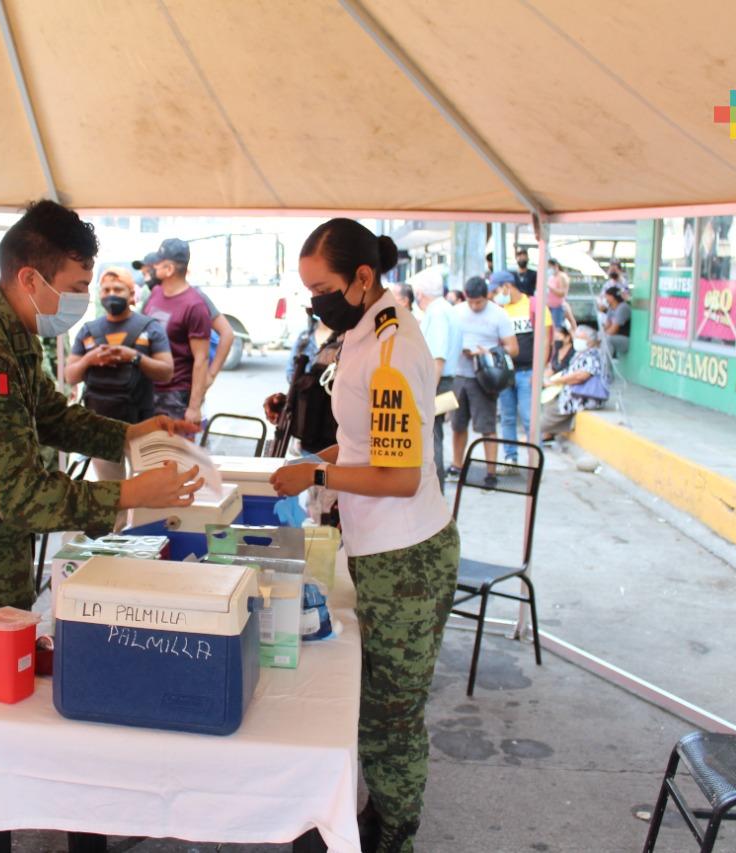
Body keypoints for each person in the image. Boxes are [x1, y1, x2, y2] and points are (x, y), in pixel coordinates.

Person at [0, 199, 204, 774]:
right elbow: (18, 494)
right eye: (76, 285)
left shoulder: (12, 332)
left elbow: (54, 416)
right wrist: (133, 494)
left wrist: (135, 433)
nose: (83, 300)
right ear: (30, 277)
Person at [267, 218, 458, 853]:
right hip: (378, 548)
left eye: (321, 287)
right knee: (374, 705)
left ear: (362, 278)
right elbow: (359, 443)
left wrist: (317, 471)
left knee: (391, 719)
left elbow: (400, 475)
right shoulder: (360, 331)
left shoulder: (392, 346)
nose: (313, 301)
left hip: (407, 556)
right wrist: (312, 460)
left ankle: (395, 835)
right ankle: (376, 818)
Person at [66, 266, 173, 480]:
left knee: (147, 493)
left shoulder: (150, 328)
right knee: (111, 493)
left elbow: (166, 372)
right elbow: (70, 376)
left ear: (131, 294)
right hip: (101, 427)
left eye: (118, 289)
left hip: (141, 424)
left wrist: (133, 356)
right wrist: (90, 359)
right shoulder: (88, 331)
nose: (111, 295)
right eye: (106, 290)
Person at [135, 245, 238, 387]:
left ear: (168, 269)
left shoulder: (194, 299)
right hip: (153, 386)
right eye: (144, 274)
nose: (146, 277)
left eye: (150, 271)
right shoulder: (154, 294)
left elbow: (226, 333)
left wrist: (210, 376)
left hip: (180, 390)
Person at [450, 276, 516, 488]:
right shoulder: (457, 312)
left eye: (478, 302)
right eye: (471, 302)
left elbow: (513, 348)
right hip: (459, 374)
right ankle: (457, 465)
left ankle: (490, 471)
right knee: (458, 425)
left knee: (487, 427)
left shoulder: (498, 315)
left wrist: (487, 352)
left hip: (485, 378)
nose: (474, 306)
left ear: (486, 296)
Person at [491, 270, 550, 469]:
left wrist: (539, 372)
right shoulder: (499, 310)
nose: (495, 295)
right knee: (507, 417)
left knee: (528, 418)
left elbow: (546, 341)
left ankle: (534, 461)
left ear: (507, 286)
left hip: (527, 372)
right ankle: (510, 458)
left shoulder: (534, 306)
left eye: (497, 289)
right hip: (506, 373)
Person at [264, 310, 342, 456]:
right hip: (306, 431)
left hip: (330, 438)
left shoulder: (345, 341)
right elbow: (292, 375)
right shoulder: (304, 338)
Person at [415, 271, 458, 492]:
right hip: (440, 381)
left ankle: (434, 491)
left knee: (433, 438)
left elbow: (438, 358)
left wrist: (428, 393)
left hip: (438, 383)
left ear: (420, 294)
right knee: (432, 436)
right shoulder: (442, 309)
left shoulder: (438, 312)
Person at [542, 324, 609, 441]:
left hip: (584, 396)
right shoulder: (580, 354)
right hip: (572, 391)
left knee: (555, 407)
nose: (577, 341)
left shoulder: (592, 355)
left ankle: (536, 431)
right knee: (548, 400)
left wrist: (556, 381)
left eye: (581, 338)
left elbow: (580, 376)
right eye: (576, 337)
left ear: (590, 341)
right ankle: (547, 432)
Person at [600, 285, 632, 356]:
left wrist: (602, 336)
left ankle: (606, 367)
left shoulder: (623, 307)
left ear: (612, 297)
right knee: (597, 338)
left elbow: (613, 330)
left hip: (626, 340)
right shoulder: (611, 308)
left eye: (607, 296)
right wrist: (599, 335)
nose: (605, 299)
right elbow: (607, 326)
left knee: (607, 339)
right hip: (616, 338)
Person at [545, 258, 570, 328]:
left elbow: (562, 293)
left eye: (550, 266)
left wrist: (550, 287)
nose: (549, 269)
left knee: (557, 329)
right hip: (550, 307)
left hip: (558, 307)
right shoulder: (552, 276)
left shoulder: (562, 276)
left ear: (555, 266)